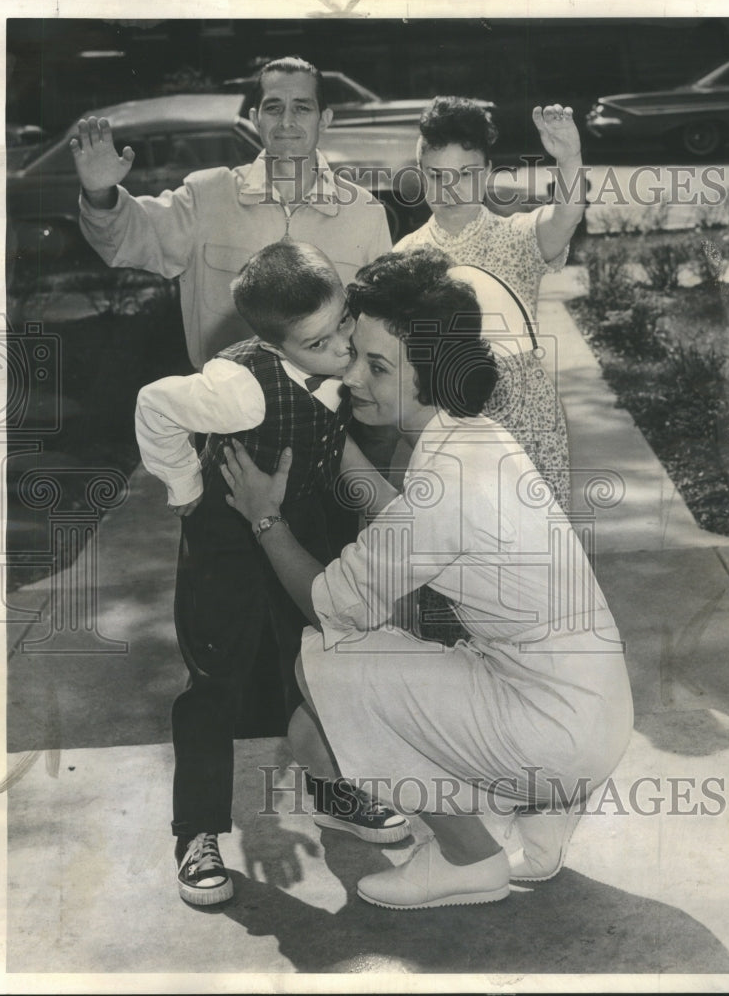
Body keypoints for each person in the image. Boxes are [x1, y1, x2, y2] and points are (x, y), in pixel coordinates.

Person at [221, 247, 633, 910]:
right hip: (593, 714)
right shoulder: (476, 437)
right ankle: (540, 819)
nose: (353, 375)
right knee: (312, 731)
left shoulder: (446, 482)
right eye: (353, 352)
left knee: (327, 660)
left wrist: (266, 521)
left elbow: (330, 606)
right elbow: (406, 526)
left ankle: (467, 860)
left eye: (377, 366)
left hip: (554, 732)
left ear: (430, 371)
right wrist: (335, 436)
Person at [135, 240, 409, 908]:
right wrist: (182, 489)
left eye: (341, 321)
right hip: (228, 539)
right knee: (217, 680)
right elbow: (154, 402)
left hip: (304, 523)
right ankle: (198, 832)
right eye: (318, 342)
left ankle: (332, 790)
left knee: (316, 661)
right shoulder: (236, 388)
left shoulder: (339, 357)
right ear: (274, 340)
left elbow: (341, 445)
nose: (342, 347)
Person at [70, 55, 392, 369]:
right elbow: (126, 238)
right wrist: (100, 193)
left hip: (333, 409)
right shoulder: (207, 195)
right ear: (256, 118)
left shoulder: (365, 213)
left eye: (302, 108)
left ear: (324, 119)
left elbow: (382, 327)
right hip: (226, 410)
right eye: (274, 107)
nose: (287, 121)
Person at [395, 96, 588, 514]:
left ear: (486, 175)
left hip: (526, 425)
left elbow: (565, 216)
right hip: (445, 428)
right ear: (420, 177)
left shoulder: (516, 236)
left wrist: (569, 159)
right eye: (437, 175)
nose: (450, 189)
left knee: (537, 555)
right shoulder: (405, 256)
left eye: (465, 174)